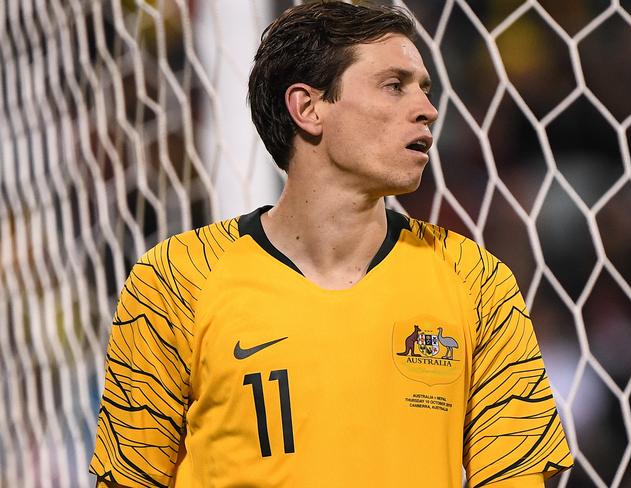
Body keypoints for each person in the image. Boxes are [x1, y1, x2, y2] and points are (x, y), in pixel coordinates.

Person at [90, 1, 572, 486]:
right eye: (394, 86)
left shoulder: (477, 281)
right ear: (308, 108)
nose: (428, 109)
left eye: (424, 89)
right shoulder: (176, 279)